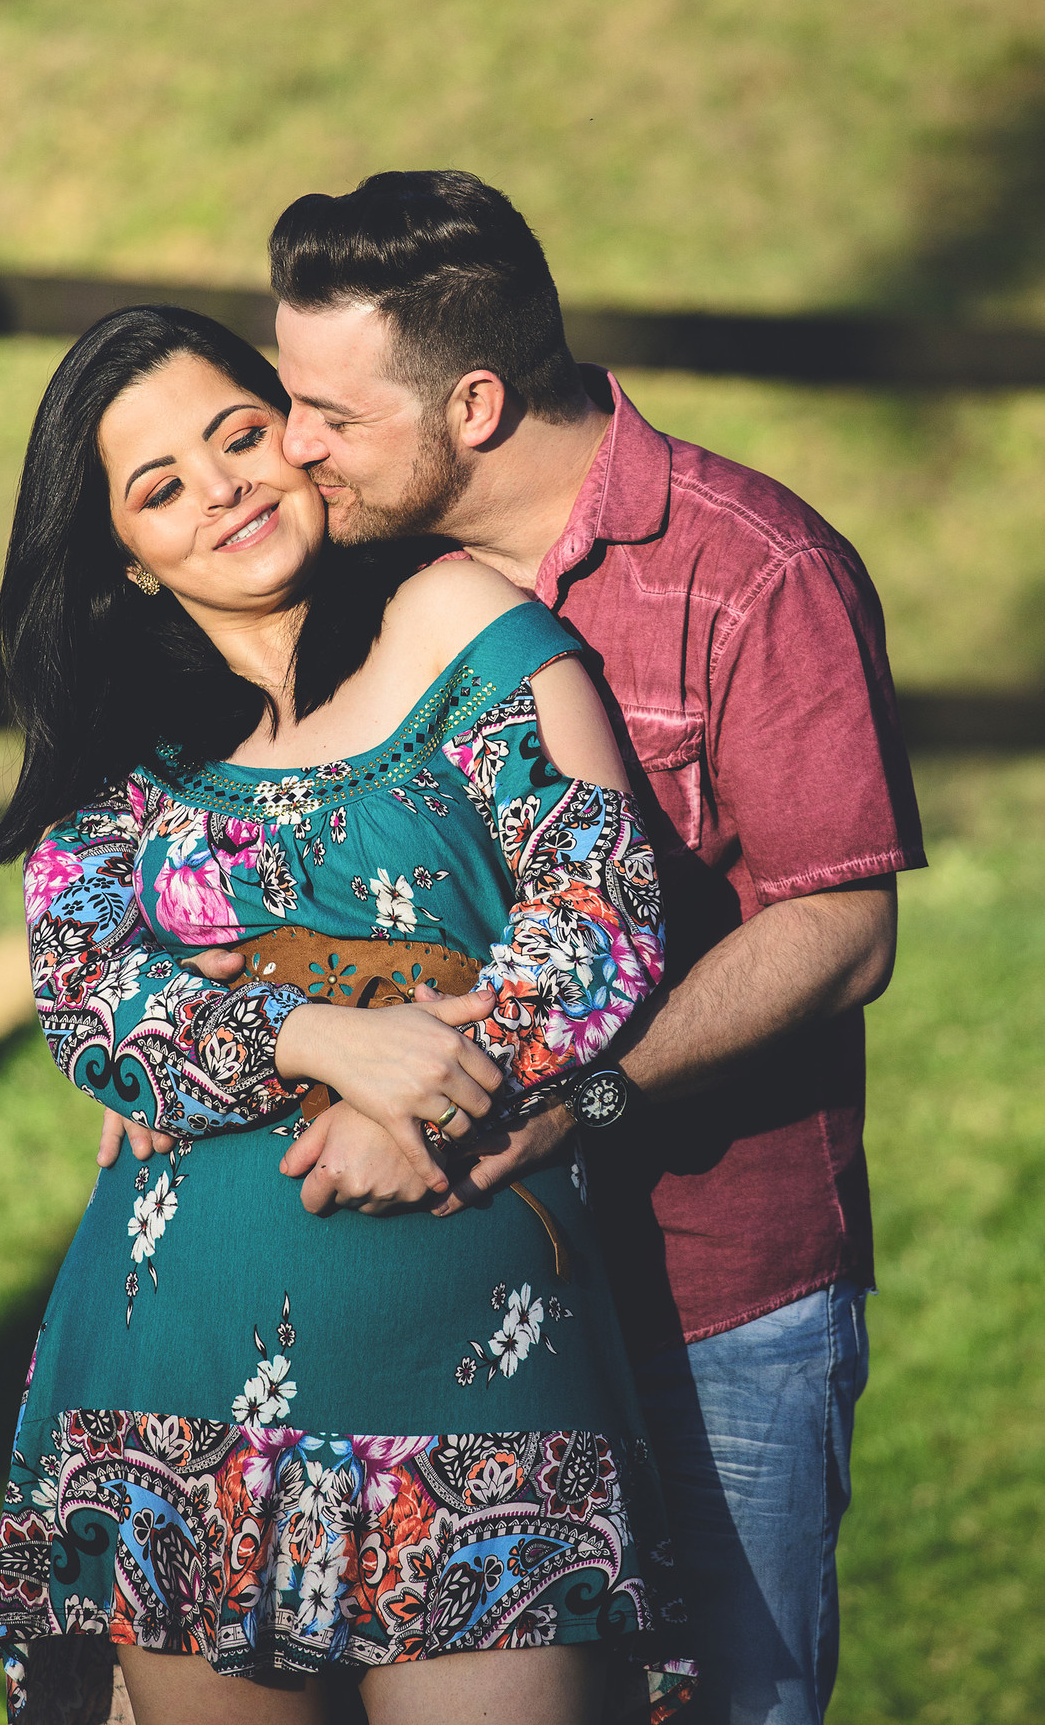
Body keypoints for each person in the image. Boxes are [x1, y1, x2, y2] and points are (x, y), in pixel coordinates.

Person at [99, 171, 924, 1725]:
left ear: (471, 402)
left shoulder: (755, 570)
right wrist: (191, 1039)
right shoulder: (344, 577)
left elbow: (842, 926)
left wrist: (559, 1100)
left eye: (326, 411)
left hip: (706, 1287)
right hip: (407, 1298)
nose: (292, 446)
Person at [0, 304, 697, 1725]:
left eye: (239, 437)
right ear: (125, 551)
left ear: (300, 437)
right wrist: (317, 1040)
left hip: (478, 1382)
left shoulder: (465, 622)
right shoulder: (125, 741)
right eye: (160, 486)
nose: (223, 490)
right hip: (164, 1395)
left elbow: (600, 910)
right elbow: (89, 988)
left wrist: (456, 1070)